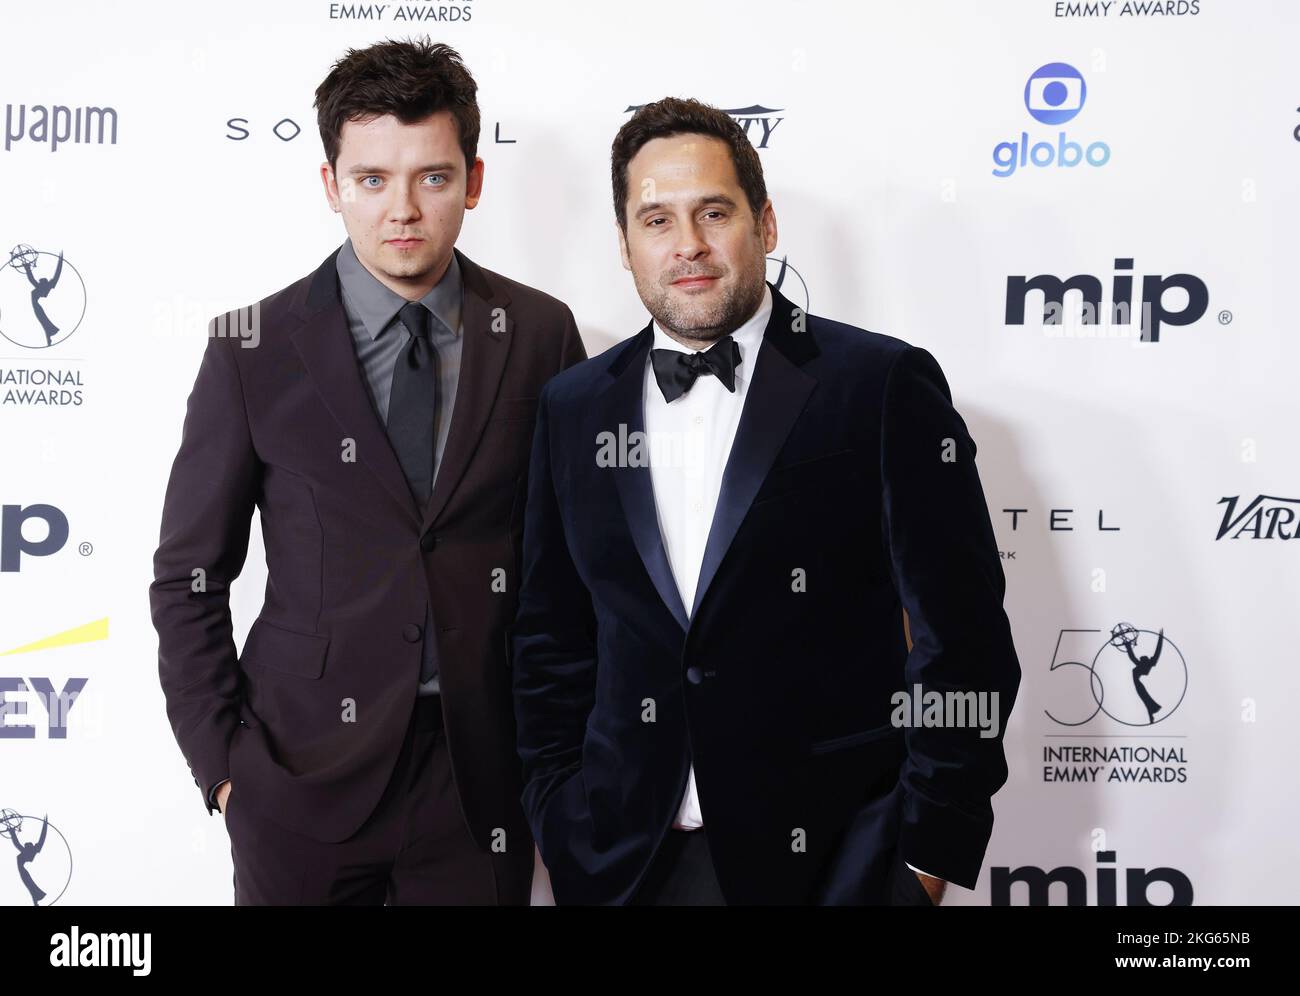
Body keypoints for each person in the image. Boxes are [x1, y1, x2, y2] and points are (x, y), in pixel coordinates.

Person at [512, 97, 1020, 905]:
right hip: (625, 866)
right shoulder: (571, 407)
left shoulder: (879, 385)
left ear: (766, 224)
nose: (688, 245)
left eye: (714, 212)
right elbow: (551, 641)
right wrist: (559, 816)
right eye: (656, 220)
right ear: (623, 243)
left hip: (836, 868)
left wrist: (925, 854)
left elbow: (964, 639)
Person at [150, 37, 585, 904]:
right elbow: (188, 577)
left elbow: (572, 564)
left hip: (480, 778)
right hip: (296, 777)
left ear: (474, 180)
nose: (404, 210)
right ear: (330, 184)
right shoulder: (254, 348)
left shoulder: (538, 333)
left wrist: (560, 759)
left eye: (432, 177)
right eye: (372, 179)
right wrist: (226, 771)